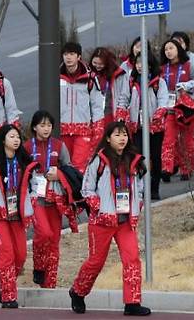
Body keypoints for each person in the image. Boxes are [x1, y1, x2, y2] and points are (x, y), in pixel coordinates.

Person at [69, 121, 151, 316]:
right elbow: (86, 189)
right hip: (102, 222)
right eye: (117, 135)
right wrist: (100, 208)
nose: (122, 138)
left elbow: (140, 187)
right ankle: (78, 292)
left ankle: (132, 303)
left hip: (125, 222)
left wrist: (137, 205)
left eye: (124, 135)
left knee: (132, 260)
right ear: (107, 138)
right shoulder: (99, 160)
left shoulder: (135, 160)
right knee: (96, 261)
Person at [0, 124, 38, 309]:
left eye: (18, 137)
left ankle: (2, 279)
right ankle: (8, 296)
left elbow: (35, 184)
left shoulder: (25, 161)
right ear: (3, 139)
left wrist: (32, 200)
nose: (16, 140)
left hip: (18, 215)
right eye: (12, 136)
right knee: (7, 254)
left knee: (20, 256)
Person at [25, 110, 82, 289]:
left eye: (49, 125)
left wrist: (58, 174)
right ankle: (39, 267)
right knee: (44, 233)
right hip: (36, 198)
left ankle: (50, 283)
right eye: (42, 125)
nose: (46, 129)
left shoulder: (59, 146)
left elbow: (70, 169)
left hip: (55, 198)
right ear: (34, 127)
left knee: (54, 241)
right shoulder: (26, 147)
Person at [159, 39, 194, 181]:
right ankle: (166, 169)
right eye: (166, 49)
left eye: (171, 48)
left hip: (187, 108)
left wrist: (187, 85)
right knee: (168, 138)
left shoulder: (189, 65)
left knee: (187, 139)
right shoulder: (162, 68)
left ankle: (186, 169)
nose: (168, 52)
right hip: (169, 107)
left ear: (178, 50)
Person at [126, 50, 168, 199]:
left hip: (155, 128)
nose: (139, 66)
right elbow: (124, 99)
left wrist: (157, 116)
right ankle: (140, 187)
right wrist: (121, 114)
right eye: (137, 63)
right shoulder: (131, 81)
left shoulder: (159, 82)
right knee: (138, 157)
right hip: (137, 127)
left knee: (155, 157)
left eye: (142, 63)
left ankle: (154, 188)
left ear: (150, 65)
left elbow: (164, 101)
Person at [60, 42, 104, 172]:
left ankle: (79, 192)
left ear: (79, 57)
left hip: (83, 130)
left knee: (80, 166)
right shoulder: (56, 76)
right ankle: (67, 192)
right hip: (62, 129)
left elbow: (96, 105)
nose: (68, 57)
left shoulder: (90, 78)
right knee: (64, 166)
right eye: (66, 54)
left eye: (72, 54)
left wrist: (98, 128)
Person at [89, 47, 130, 130]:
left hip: (111, 113)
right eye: (95, 63)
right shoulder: (89, 75)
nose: (97, 66)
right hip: (94, 116)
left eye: (101, 64)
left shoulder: (119, 75)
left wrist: (120, 113)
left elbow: (124, 95)